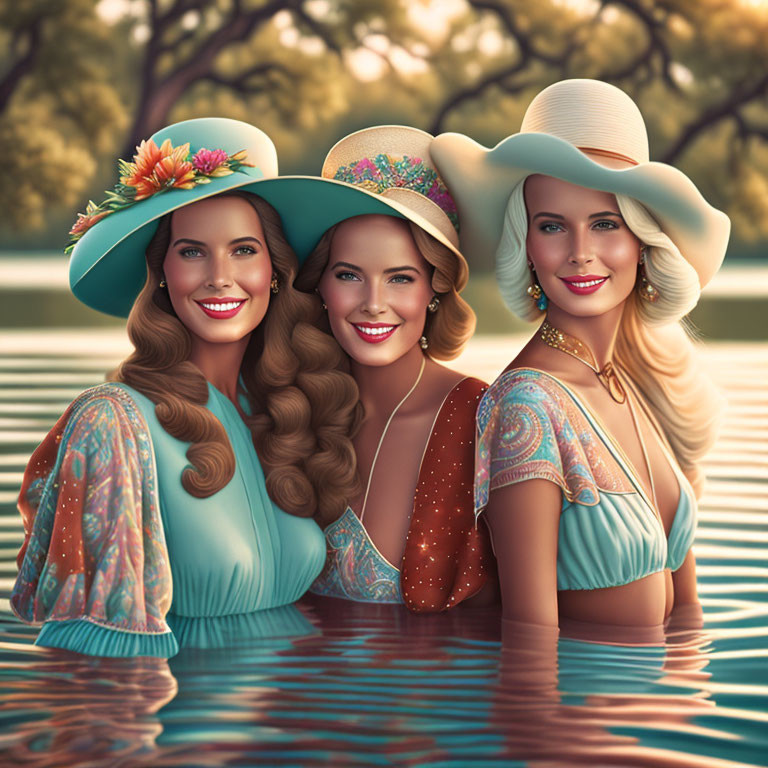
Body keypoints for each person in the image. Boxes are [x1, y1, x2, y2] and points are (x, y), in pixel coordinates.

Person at [11, 118, 359, 657]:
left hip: (300, 726)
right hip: (194, 733)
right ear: (162, 273)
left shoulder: (282, 410)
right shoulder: (114, 422)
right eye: (193, 251)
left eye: (243, 249)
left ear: (275, 269)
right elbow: (95, 654)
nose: (219, 276)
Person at [431, 79, 730, 629]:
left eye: (605, 224)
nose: (580, 253)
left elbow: (687, 611)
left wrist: (686, 709)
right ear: (527, 244)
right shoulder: (527, 404)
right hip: (582, 709)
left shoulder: (631, 385)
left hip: (665, 708)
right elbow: (529, 632)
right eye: (552, 226)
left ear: (643, 242)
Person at [293, 126, 494, 611]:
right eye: (349, 276)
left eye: (400, 278)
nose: (373, 304)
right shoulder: (291, 410)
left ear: (435, 289)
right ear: (320, 286)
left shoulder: (486, 416)